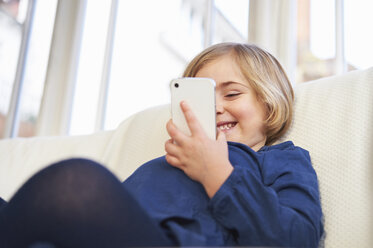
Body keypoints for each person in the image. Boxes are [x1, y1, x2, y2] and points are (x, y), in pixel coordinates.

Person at [0, 42, 324, 247]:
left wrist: (218, 174)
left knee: (77, 183)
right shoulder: (168, 161)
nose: (215, 107)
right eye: (203, 96)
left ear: (270, 104)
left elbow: (296, 239)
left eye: (232, 93)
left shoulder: (282, 159)